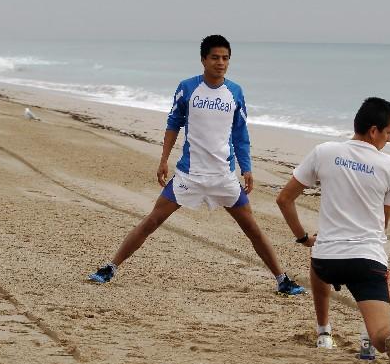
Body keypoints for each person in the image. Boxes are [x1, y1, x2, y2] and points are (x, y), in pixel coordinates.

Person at [88, 35, 305, 296]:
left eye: (225, 58)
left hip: (224, 176)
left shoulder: (235, 92)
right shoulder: (188, 88)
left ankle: (282, 279)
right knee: (152, 221)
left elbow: (240, 134)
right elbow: (173, 124)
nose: (220, 63)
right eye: (215, 57)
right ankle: (110, 267)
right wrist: (163, 159)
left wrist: (246, 168)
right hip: (189, 175)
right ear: (203, 59)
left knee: (252, 229)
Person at [276, 97, 390, 364]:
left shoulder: (324, 151)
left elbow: (284, 199)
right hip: (367, 261)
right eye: (389, 131)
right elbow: (382, 224)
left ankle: (324, 332)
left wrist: (303, 238)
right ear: (374, 131)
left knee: (317, 254)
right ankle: (385, 340)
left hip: (328, 261)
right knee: (381, 330)